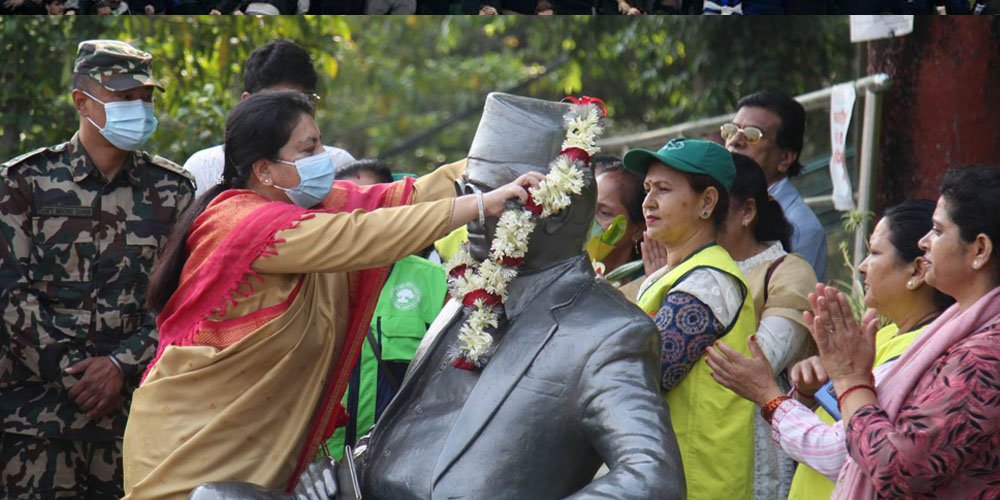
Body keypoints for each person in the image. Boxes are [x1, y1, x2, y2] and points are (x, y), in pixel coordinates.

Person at [121, 90, 538, 499]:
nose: (325, 157)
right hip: (187, 448)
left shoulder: (311, 206)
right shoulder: (241, 224)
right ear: (265, 169)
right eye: (309, 148)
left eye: (319, 141)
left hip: (253, 448)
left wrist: (502, 160)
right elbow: (362, 233)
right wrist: (481, 205)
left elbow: (399, 198)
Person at [356, 93, 683, 499]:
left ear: (557, 212)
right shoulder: (468, 293)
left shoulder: (609, 332)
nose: (470, 208)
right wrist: (351, 468)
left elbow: (652, 478)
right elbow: (415, 422)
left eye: (489, 194)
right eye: (466, 191)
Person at [0, 40, 195, 498]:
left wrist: (119, 365)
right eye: (125, 98)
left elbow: (182, 299)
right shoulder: (23, 181)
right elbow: (9, 293)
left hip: (133, 421)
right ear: (82, 101)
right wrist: (72, 371)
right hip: (34, 423)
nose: (140, 109)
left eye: (146, 98)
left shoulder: (173, 190)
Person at [706, 199, 952, 500]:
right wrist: (809, 395)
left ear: (916, 271)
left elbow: (844, 451)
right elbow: (841, 420)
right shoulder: (886, 335)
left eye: (874, 253)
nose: (862, 266)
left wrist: (768, 396)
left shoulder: (921, 352)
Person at [802, 166, 1000, 499]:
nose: (924, 243)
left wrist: (850, 380)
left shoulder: (985, 355)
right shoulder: (957, 328)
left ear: (979, 250)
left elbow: (899, 468)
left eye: (937, 231)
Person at [623, 138, 756, 500]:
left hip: (696, 483)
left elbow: (647, 373)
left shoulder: (709, 280)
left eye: (663, 189)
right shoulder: (667, 274)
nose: (648, 202)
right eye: (647, 189)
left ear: (707, 202)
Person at [322, 159, 449, 459]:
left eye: (373, 202)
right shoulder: (308, 275)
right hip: (312, 468)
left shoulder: (433, 280)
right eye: (349, 203)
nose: (360, 216)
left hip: (393, 463)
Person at [715, 153, 818, 500]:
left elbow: (756, 362)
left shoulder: (789, 270)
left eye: (712, 207)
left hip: (753, 449)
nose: (701, 218)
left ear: (746, 212)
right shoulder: (676, 268)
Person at [183, 39, 353, 197]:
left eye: (303, 102)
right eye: (278, 107)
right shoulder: (203, 167)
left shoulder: (338, 164)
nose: (294, 113)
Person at [724, 91, 828, 282]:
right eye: (731, 130)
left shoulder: (802, 228)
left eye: (752, 135)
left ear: (785, 158)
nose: (735, 141)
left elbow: (795, 305)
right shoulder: (715, 202)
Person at [592, 155, 645, 281]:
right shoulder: (564, 267)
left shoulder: (646, 282)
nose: (589, 220)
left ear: (639, 229)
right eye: (588, 208)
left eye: (604, 213)